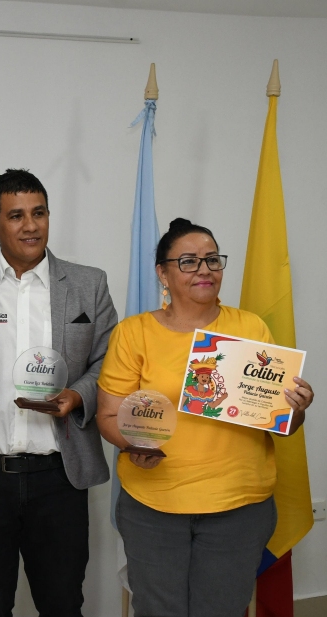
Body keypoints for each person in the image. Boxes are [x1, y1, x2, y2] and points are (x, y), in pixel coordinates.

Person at [96, 218, 314, 617]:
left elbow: (280, 422)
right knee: (159, 610)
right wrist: (132, 443)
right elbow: (109, 415)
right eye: (189, 261)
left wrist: (295, 410)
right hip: (154, 507)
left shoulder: (250, 328)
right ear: (163, 272)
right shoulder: (134, 333)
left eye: (212, 260)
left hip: (239, 508)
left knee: (224, 610)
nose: (204, 270)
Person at [0, 169, 118, 617]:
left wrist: (80, 394)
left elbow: (112, 362)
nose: (31, 225)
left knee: (63, 604)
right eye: (16, 215)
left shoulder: (89, 284)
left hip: (59, 478)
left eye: (39, 213)